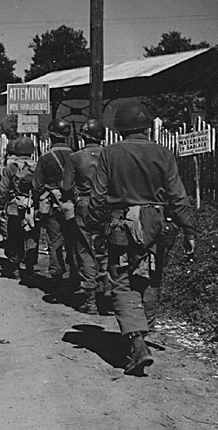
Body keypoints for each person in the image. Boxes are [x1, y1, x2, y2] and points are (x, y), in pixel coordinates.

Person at [88, 101, 195, 376]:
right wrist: (189, 230)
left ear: (121, 128)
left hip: (122, 227)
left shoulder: (110, 154)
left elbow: (98, 196)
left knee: (122, 283)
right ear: (147, 126)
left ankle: (137, 343)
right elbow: (178, 195)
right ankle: (141, 336)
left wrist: (93, 225)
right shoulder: (164, 153)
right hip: (157, 227)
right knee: (151, 280)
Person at [62, 119, 109, 314]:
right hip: (108, 205)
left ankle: (90, 300)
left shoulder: (75, 157)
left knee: (85, 249)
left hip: (85, 204)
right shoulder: (110, 155)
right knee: (107, 247)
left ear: (83, 137)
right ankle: (107, 292)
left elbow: (65, 186)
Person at [33, 118, 76, 289]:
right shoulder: (75, 155)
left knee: (55, 240)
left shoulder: (45, 157)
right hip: (71, 203)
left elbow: (37, 184)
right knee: (73, 240)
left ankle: (57, 274)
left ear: (51, 136)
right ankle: (74, 274)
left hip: (52, 203)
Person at [0, 137, 40, 283]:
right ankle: (30, 269)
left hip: (15, 206)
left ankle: (15, 268)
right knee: (32, 236)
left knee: (14, 236)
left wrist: (2, 205)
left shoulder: (11, 166)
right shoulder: (37, 166)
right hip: (32, 207)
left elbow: (3, 189)